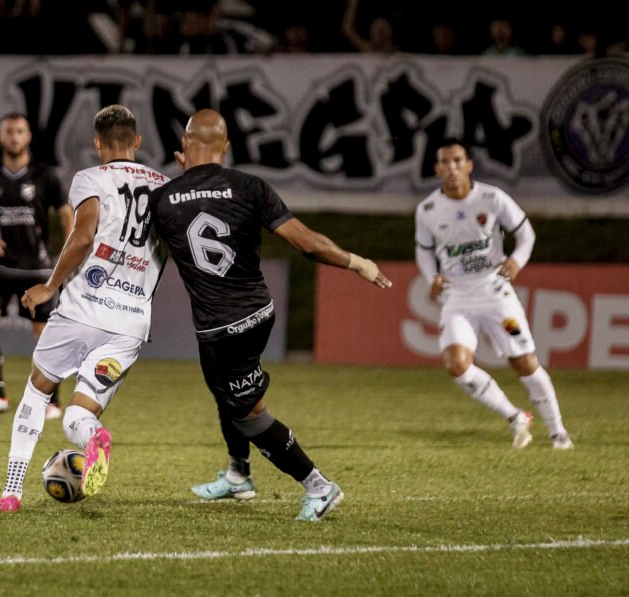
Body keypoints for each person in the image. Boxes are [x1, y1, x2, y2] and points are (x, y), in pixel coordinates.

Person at [151, 109, 392, 521]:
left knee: (247, 413)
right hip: (257, 314)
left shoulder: (162, 198)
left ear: (181, 154)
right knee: (228, 395)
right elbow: (308, 244)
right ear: (225, 148)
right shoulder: (250, 187)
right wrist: (358, 262)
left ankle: (318, 485)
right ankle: (238, 474)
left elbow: (143, 260)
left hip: (220, 327)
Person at [0, 104, 168, 512]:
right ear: (137, 142)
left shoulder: (90, 178)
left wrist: (50, 285)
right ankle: (92, 437)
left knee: (37, 391)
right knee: (78, 412)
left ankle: (12, 492)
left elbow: (83, 234)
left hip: (82, 310)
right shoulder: (164, 187)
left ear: (98, 143)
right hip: (130, 324)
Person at [415, 138, 572, 450]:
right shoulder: (428, 209)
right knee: (455, 363)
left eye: (458, 161)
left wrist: (516, 261)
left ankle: (558, 434)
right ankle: (515, 417)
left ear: (469, 165)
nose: (452, 168)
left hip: (497, 296)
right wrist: (431, 276)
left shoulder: (492, 197)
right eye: (445, 162)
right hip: (457, 299)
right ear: (437, 169)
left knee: (525, 362)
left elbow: (525, 233)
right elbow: (423, 250)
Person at [0, 113, 73, 420]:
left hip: (37, 269)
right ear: (1, 137)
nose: (14, 137)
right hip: (1, 268)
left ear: (28, 136)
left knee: (43, 336)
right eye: (8, 132)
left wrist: (69, 252)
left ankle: (53, 402)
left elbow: (66, 214)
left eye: (19, 131)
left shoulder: (45, 175)